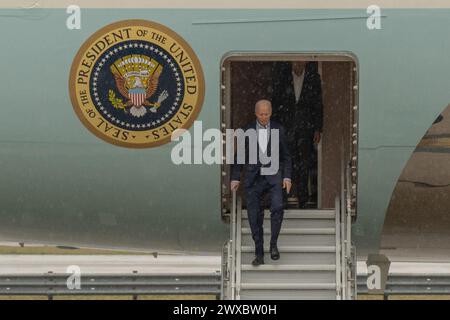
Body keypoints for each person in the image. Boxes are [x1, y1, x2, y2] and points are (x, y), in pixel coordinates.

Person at [230, 100, 292, 266]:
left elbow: (286, 156)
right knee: (253, 216)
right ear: (256, 113)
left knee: (278, 207)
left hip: (274, 176)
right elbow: (239, 157)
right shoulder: (246, 130)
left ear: (271, 113)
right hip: (253, 178)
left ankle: (273, 245)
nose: (264, 117)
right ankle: (259, 253)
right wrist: (235, 177)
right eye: (261, 114)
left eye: (267, 114)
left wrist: (287, 177)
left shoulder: (279, 129)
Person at [272, 61, 323, 208]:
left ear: (305, 62)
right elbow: (276, 102)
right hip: (286, 127)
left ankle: (303, 200)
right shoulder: (282, 75)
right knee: (287, 162)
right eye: (295, 62)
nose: (298, 65)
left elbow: (318, 104)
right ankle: (285, 199)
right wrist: (275, 127)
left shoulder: (314, 77)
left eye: (301, 62)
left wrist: (318, 128)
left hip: (306, 128)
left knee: (304, 164)